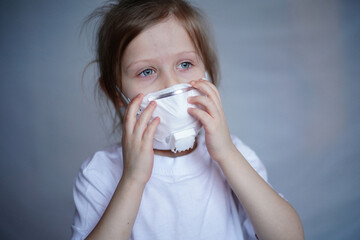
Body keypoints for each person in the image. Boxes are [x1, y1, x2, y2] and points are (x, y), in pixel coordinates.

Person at [71, 0, 304, 239]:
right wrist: (132, 179)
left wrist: (227, 154)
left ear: (205, 73)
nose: (172, 85)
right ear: (114, 92)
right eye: (147, 71)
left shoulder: (236, 157)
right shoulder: (99, 174)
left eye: (185, 64)